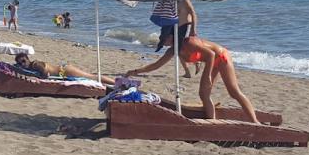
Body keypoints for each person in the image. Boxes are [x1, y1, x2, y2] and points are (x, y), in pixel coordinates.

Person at [124, 33, 261, 124]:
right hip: (211, 61)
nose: (163, 43)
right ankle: (211, 122)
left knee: (233, 92)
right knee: (203, 94)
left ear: (171, 36)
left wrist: (207, 74)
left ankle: (255, 122)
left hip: (221, 57)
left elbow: (211, 54)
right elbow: (156, 65)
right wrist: (135, 71)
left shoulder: (188, 42)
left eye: (164, 40)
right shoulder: (172, 50)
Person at [14, 54, 114, 86]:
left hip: (65, 71)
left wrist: (40, 77)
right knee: (92, 77)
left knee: (92, 77)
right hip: (63, 69)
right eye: (20, 63)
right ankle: (114, 82)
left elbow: (44, 71)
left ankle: (115, 82)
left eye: (23, 61)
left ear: (28, 59)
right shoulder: (31, 67)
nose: (22, 64)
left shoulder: (35, 64)